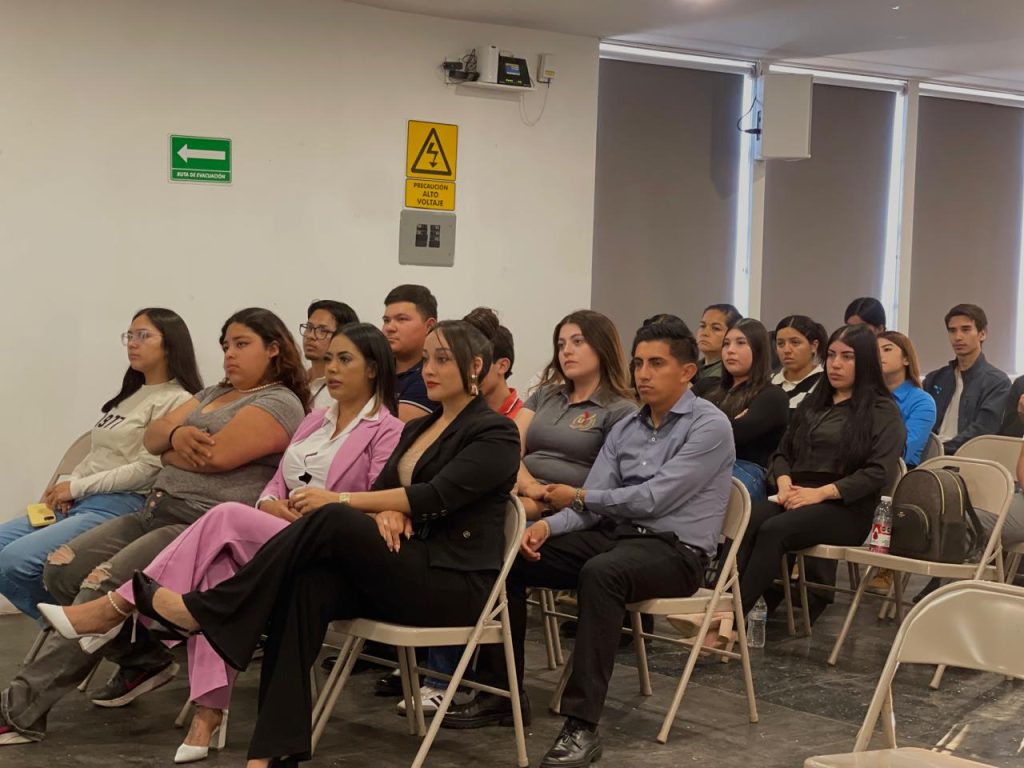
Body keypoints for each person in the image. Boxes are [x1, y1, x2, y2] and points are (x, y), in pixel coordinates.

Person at [126, 320, 522, 768]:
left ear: (476, 365)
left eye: (442, 360)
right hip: (407, 565)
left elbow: (436, 496)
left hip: (455, 584)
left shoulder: (495, 432)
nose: (428, 369)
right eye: (427, 358)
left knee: (332, 514)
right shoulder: (420, 429)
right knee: (306, 586)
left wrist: (349, 500)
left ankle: (210, 610)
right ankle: (271, 753)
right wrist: (392, 508)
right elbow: (390, 491)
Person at [36, 323, 402, 762]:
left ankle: (117, 608)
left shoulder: (387, 430)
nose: (332, 369)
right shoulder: (314, 421)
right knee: (215, 572)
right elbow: (275, 481)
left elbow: (377, 502)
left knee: (225, 514)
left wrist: (321, 507)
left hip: (326, 545)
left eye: (345, 360)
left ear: (373, 369)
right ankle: (206, 717)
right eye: (329, 359)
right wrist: (270, 505)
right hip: (280, 531)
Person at [0, 308, 308, 748]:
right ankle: (144, 659)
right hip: (154, 510)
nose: (229, 355)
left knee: (96, 586)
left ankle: (18, 712)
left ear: (274, 349)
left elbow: (217, 456)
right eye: (226, 345)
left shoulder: (279, 402)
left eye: (242, 345)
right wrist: (177, 439)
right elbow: (153, 437)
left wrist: (171, 445)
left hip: (197, 525)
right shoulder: (214, 392)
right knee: (60, 572)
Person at [444, 319, 735, 768]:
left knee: (603, 573)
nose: (643, 373)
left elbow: (654, 498)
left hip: (676, 551)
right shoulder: (628, 427)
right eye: (639, 363)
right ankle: (499, 694)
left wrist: (577, 497)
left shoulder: (709, 426)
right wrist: (547, 528)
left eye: (657, 364)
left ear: (688, 371)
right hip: (617, 537)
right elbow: (593, 505)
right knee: (508, 557)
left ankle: (581, 725)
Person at [0, 309, 201, 622]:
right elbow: (97, 452)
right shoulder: (131, 395)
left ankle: (83, 628)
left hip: (120, 504)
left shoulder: (178, 400)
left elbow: (147, 470)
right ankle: (78, 629)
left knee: (15, 562)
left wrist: (77, 487)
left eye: (143, 335)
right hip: (81, 500)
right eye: (129, 335)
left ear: (170, 344)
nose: (132, 343)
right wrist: (69, 486)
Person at [736, 324, 905, 624]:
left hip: (845, 506)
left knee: (776, 529)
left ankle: (730, 617)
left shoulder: (883, 410)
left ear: (865, 362)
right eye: (831, 356)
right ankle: (721, 603)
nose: (836, 364)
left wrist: (820, 494)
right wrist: (784, 483)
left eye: (847, 357)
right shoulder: (814, 404)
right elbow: (782, 453)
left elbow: (877, 472)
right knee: (749, 520)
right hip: (797, 494)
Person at [514, 310, 637, 520]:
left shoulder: (621, 410)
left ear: (602, 347)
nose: (566, 351)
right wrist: (529, 486)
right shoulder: (544, 394)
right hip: (520, 491)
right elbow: (509, 447)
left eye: (577, 342)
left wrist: (544, 499)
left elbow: (607, 485)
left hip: (570, 508)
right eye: (561, 345)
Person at [705, 319, 789, 502]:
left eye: (740, 343)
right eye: (726, 344)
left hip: (745, 471)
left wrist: (708, 424)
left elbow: (734, 435)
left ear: (758, 350)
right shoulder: (708, 388)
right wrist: (729, 422)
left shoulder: (772, 396)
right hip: (704, 465)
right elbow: (678, 425)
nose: (730, 350)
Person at [923, 304, 1010, 454]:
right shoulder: (935, 378)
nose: (958, 337)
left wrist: (940, 451)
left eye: (966, 329)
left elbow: (983, 430)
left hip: (965, 458)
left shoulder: (997, 382)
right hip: (928, 454)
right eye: (952, 331)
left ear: (982, 334)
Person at [877, 332, 936, 467]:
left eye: (887, 349)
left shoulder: (922, 402)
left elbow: (902, 450)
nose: (879, 355)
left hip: (899, 471)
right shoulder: (867, 396)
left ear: (906, 359)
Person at [382, 284, 439, 422]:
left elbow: (396, 431)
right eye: (386, 320)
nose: (389, 328)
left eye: (401, 319)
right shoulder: (376, 366)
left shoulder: (431, 375)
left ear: (429, 326)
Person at [463, 307, 523, 419]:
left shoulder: (523, 419)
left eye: (476, 365)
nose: (469, 373)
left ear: (502, 366)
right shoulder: (458, 413)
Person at [300, 300, 359, 408]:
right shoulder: (297, 379)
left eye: (323, 330)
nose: (310, 336)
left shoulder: (344, 390)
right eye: (309, 327)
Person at [772, 315, 828, 410]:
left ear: (814, 346)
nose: (786, 350)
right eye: (780, 344)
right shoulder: (768, 383)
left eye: (795, 342)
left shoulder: (825, 385)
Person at [694, 303, 742, 396]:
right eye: (702, 326)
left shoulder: (727, 374)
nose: (704, 333)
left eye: (716, 328)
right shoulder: (694, 367)